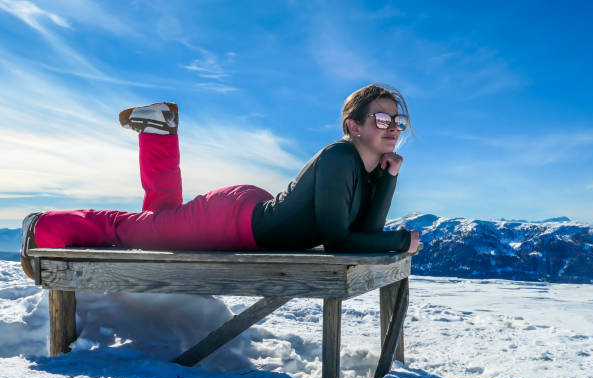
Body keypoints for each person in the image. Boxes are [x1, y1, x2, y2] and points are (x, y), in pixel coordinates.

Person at [20, 83, 421, 280]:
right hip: (230, 221)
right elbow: (338, 242)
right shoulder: (339, 156)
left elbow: (363, 233)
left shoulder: (365, 171)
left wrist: (388, 179)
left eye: (396, 121)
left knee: (160, 224)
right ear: (353, 126)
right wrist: (402, 240)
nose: (392, 127)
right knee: (127, 231)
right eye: (381, 119)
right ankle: (41, 226)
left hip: (249, 217)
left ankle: (158, 130)